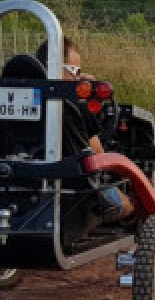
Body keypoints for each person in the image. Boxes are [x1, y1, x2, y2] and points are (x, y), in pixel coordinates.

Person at [35, 37, 134, 219]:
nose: (77, 78)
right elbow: (99, 155)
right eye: (75, 71)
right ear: (56, 68)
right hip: (74, 191)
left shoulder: (18, 104)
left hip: (22, 187)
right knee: (128, 205)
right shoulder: (74, 106)